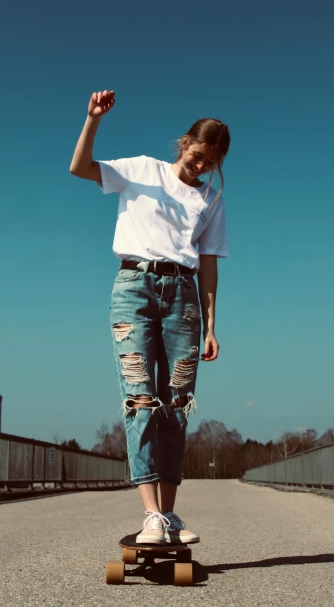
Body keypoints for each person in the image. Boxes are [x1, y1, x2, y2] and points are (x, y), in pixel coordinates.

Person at [70, 89, 230, 545]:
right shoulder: (143, 169)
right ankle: (151, 516)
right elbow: (80, 168)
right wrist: (93, 120)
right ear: (185, 143)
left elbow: (211, 263)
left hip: (184, 297)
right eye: (198, 156)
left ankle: (170, 515)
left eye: (211, 164)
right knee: (140, 397)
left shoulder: (211, 202)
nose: (201, 167)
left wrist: (213, 325)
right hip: (133, 289)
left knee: (176, 405)